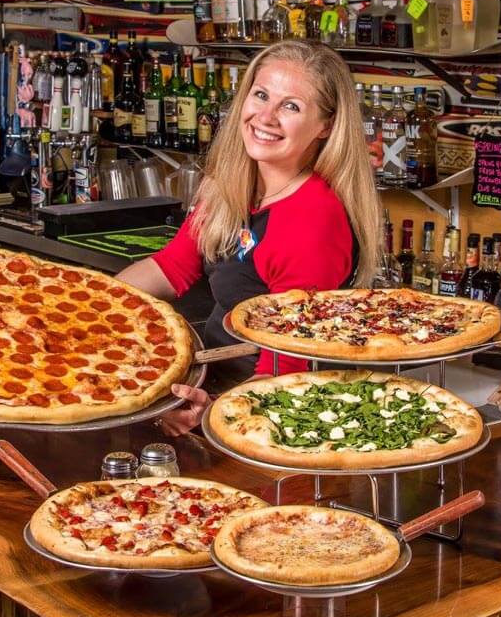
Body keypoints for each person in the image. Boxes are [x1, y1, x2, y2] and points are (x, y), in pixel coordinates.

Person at [116, 40, 382, 433]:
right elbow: (173, 268)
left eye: (291, 106)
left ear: (325, 125)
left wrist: (216, 411)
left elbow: (290, 368)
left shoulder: (312, 219)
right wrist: (82, 307)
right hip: (216, 386)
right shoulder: (232, 184)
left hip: (279, 421)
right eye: (261, 95)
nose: (266, 117)